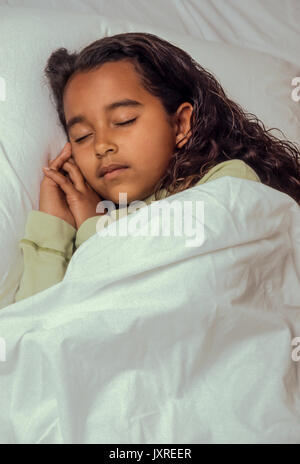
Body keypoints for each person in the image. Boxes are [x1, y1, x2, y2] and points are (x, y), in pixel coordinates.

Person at [14, 32, 300, 302]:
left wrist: (96, 229)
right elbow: (27, 332)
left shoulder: (230, 182)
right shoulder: (82, 226)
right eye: (82, 136)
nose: (101, 146)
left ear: (180, 124)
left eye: (124, 120)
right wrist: (54, 230)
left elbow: (183, 286)